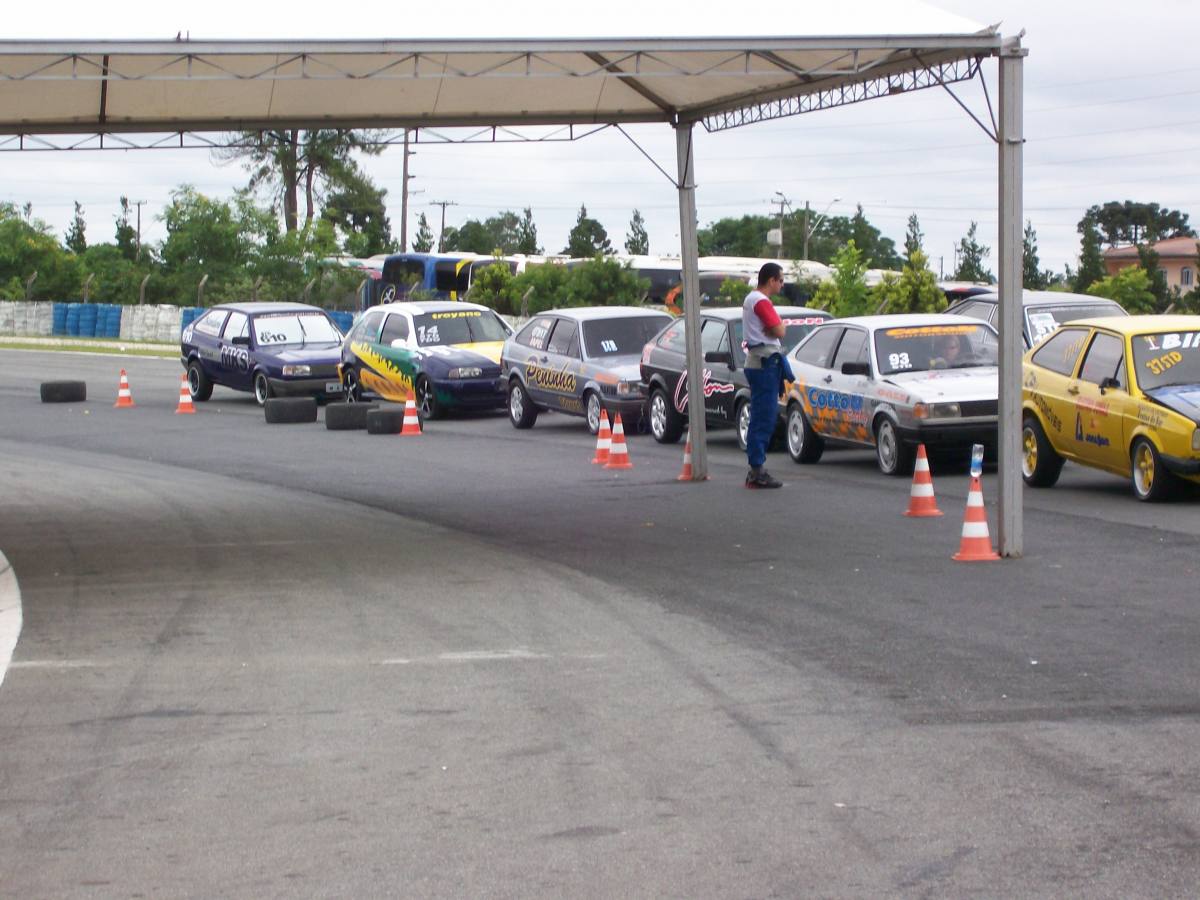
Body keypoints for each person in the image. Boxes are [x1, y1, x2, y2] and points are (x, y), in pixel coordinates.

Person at [741, 263, 790, 489]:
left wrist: (775, 328)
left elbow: (775, 329)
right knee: (764, 417)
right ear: (771, 280)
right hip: (764, 363)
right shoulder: (760, 301)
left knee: (762, 416)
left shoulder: (752, 300)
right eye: (780, 280)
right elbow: (779, 330)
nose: (782, 284)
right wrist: (778, 327)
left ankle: (756, 468)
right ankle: (757, 469)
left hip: (759, 361)